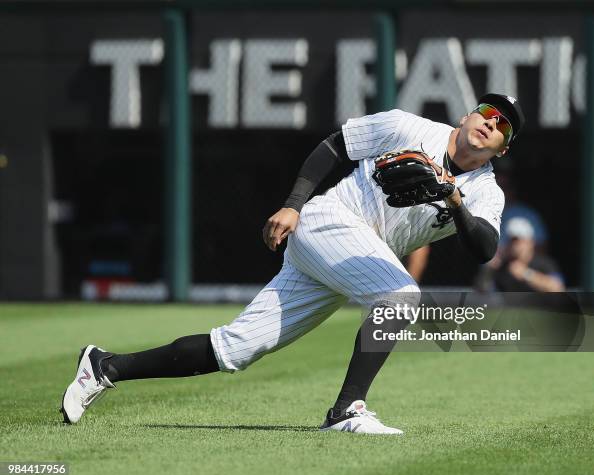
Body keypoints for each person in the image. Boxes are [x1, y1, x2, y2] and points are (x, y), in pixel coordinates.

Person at [61, 93, 524, 435]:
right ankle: (347, 410)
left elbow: (483, 247)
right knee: (401, 296)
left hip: (354, 259)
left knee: (236, 349)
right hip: (330, 221)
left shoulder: (486, 191)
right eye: (487, 111)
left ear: (502, 147)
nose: (490, 122)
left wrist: (456, 199)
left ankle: (105, 366)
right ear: (467, 115)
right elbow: (335, 146)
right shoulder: (408, 127)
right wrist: (293, 204)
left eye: (502, 124)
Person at [475, 217, 565, 292]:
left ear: (531, 242)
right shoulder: (502, 265)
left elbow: (558, 288)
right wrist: (488, 270)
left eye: (518, 241)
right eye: (511, 241)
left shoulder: (544, 263)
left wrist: (526, 274)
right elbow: (482, 291)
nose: (514, 245)